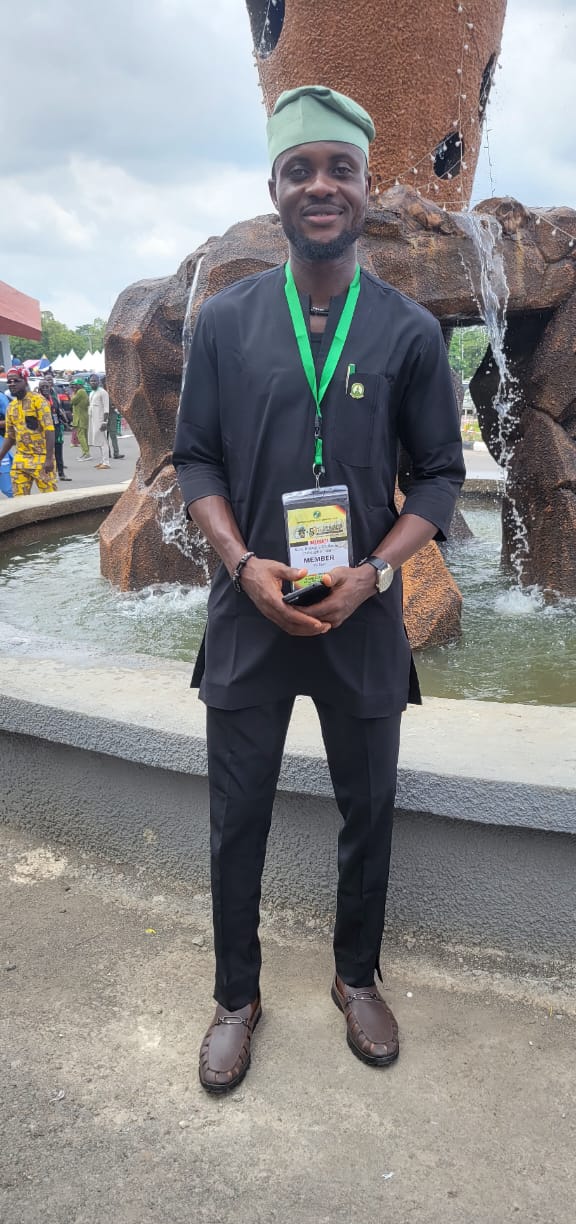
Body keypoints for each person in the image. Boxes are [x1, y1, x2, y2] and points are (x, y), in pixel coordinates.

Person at [173, 84, 465, 1094]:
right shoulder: (224, 323)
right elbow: (195, 459)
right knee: (236, 815)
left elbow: (440, 476)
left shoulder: (409, 332)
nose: (321, 185)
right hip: (249, 606)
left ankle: (357, 975)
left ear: (366, 186)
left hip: (362, 608)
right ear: (276, 189)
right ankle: (235, 996)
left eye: (340, 168)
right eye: (301, 170)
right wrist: (240, 563)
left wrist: (376, 571)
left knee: (368, 807)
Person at [0, 368, 56, 495]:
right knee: (20, 499)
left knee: (51, 498)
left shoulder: (38, 401)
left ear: (25, 381)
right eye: (9, 382)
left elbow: (49, 429)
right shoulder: (11, 407)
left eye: (16, 381)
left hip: (41, 458)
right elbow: (10, 436)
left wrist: (49, 459)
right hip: (21, 460)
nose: (12, 384)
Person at [38, 375, 72, 481]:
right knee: (45, 454)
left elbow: (58, 412)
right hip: (43, 432)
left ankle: (61, 474)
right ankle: (46, 475)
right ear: (39, 389)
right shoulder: (37, 401)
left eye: (46, 387)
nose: (45, 389)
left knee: (58, 452)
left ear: (50, 388)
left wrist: (66, 422)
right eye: (42, 387)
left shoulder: (53, 399)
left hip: (56, 428)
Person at [88, 374, 110, 469]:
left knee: (103, 442)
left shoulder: (103, 393)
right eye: (91, 381)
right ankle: (102, 461)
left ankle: (106, 463)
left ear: (99, 382)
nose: (93, 382)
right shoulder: (91, 393)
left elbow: (106, 409)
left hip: (101, 421)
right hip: (93, 420)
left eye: (95, 381)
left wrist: (105, 422)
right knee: (99, 441)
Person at [100, 376, 124, 460]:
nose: (107, 384)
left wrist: (115, 406)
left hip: (112, 414)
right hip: (103, 416)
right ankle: (108, 453)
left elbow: (117, 402)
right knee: (105, 436)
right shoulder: (101, 393)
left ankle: (116, 453)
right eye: (105, 382)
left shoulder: (113, 392)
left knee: (113, 434)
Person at [71, 378, 90, 458]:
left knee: (81, 436)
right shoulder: (83, 392)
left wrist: (73, 393)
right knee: (84, 436)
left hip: (80, 418)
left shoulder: (80, 392)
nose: (74, 387)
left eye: (76, 385)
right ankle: (86, 452)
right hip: (83, 417)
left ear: (80, 385)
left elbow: (72, 401)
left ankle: (86, 453)